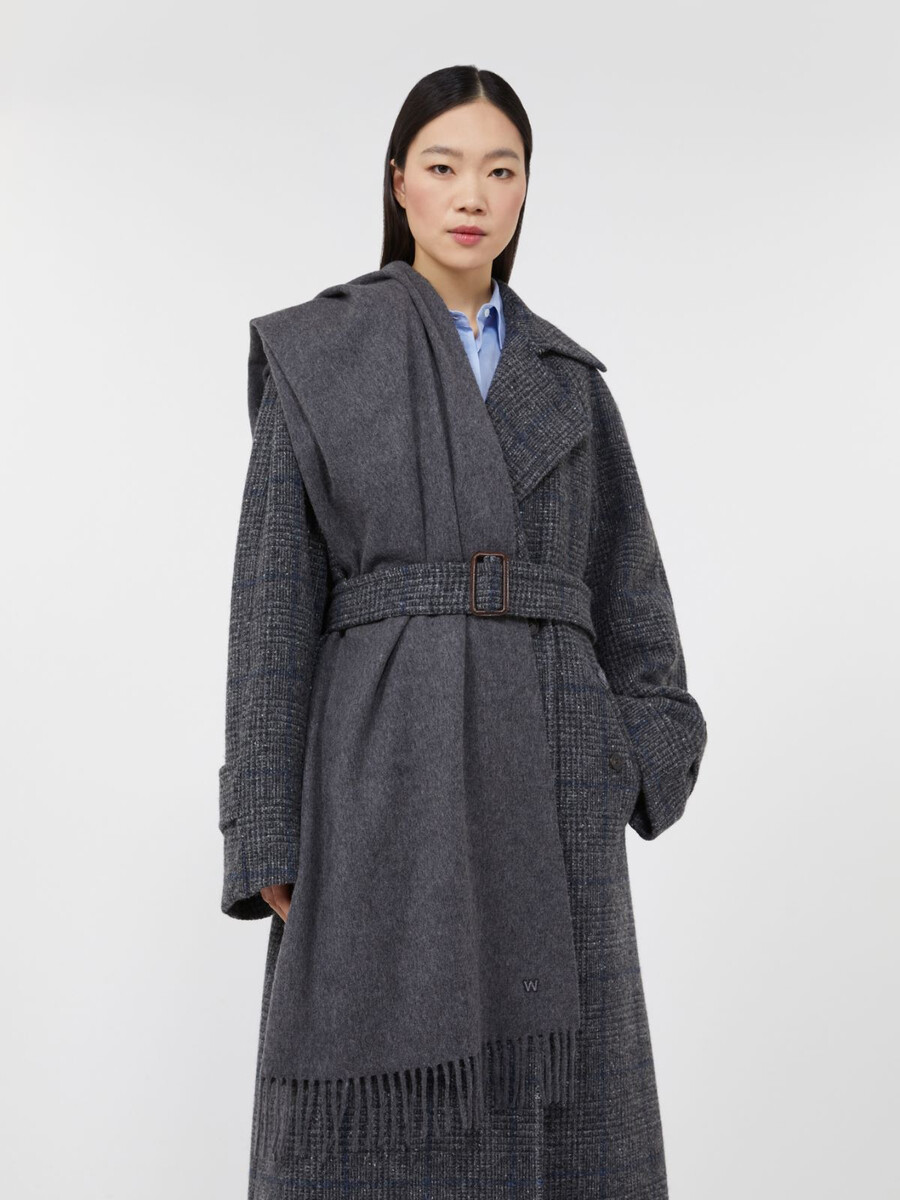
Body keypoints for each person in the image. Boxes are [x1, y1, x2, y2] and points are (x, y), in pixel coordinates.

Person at [217, 64, 708, 1200]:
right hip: (381, 775)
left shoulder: (568, 383)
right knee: (367, 1120)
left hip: (552, 780)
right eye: (443, 167)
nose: (472, 194)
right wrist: (266, 830)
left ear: (527, 190)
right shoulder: (322, 359)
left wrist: (628, 756)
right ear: (400, 183)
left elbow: (635, 600)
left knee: (565, 1120)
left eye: (500, 169)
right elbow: (270, 608)